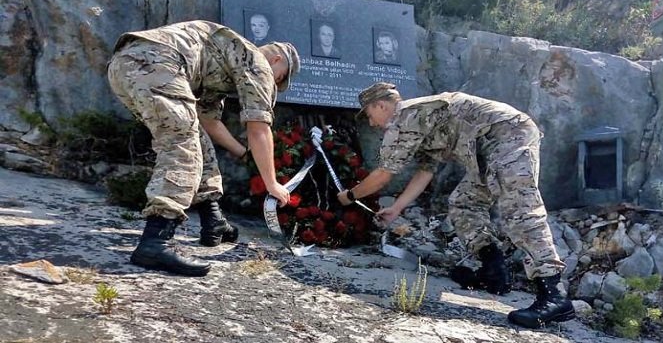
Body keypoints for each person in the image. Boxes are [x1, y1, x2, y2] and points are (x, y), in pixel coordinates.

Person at [337, 82, 575, 329]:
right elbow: (426, 171)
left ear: (381, 105)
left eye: (369, 115)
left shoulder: (406, 116)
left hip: (507, 136)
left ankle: (553, 294)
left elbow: (384, 174)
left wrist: (350, 196)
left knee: (520, 210)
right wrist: (396, 208)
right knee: (464, 203)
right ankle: (493, 270)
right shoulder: (420, 119)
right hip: (486, 149)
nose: (372, 123)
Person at [107, 20, 300, 277]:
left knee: (195, 138)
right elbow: (259, 128)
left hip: (127, 64)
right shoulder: (257, 62)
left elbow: (209, 121)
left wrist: (244, 153)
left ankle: (213, 220)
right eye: (280, 79)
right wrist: (272, 183)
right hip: (156, 63)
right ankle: (156, 241)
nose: (275, 84)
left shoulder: (224, 57)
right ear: (276, 61)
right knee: (181, 148)